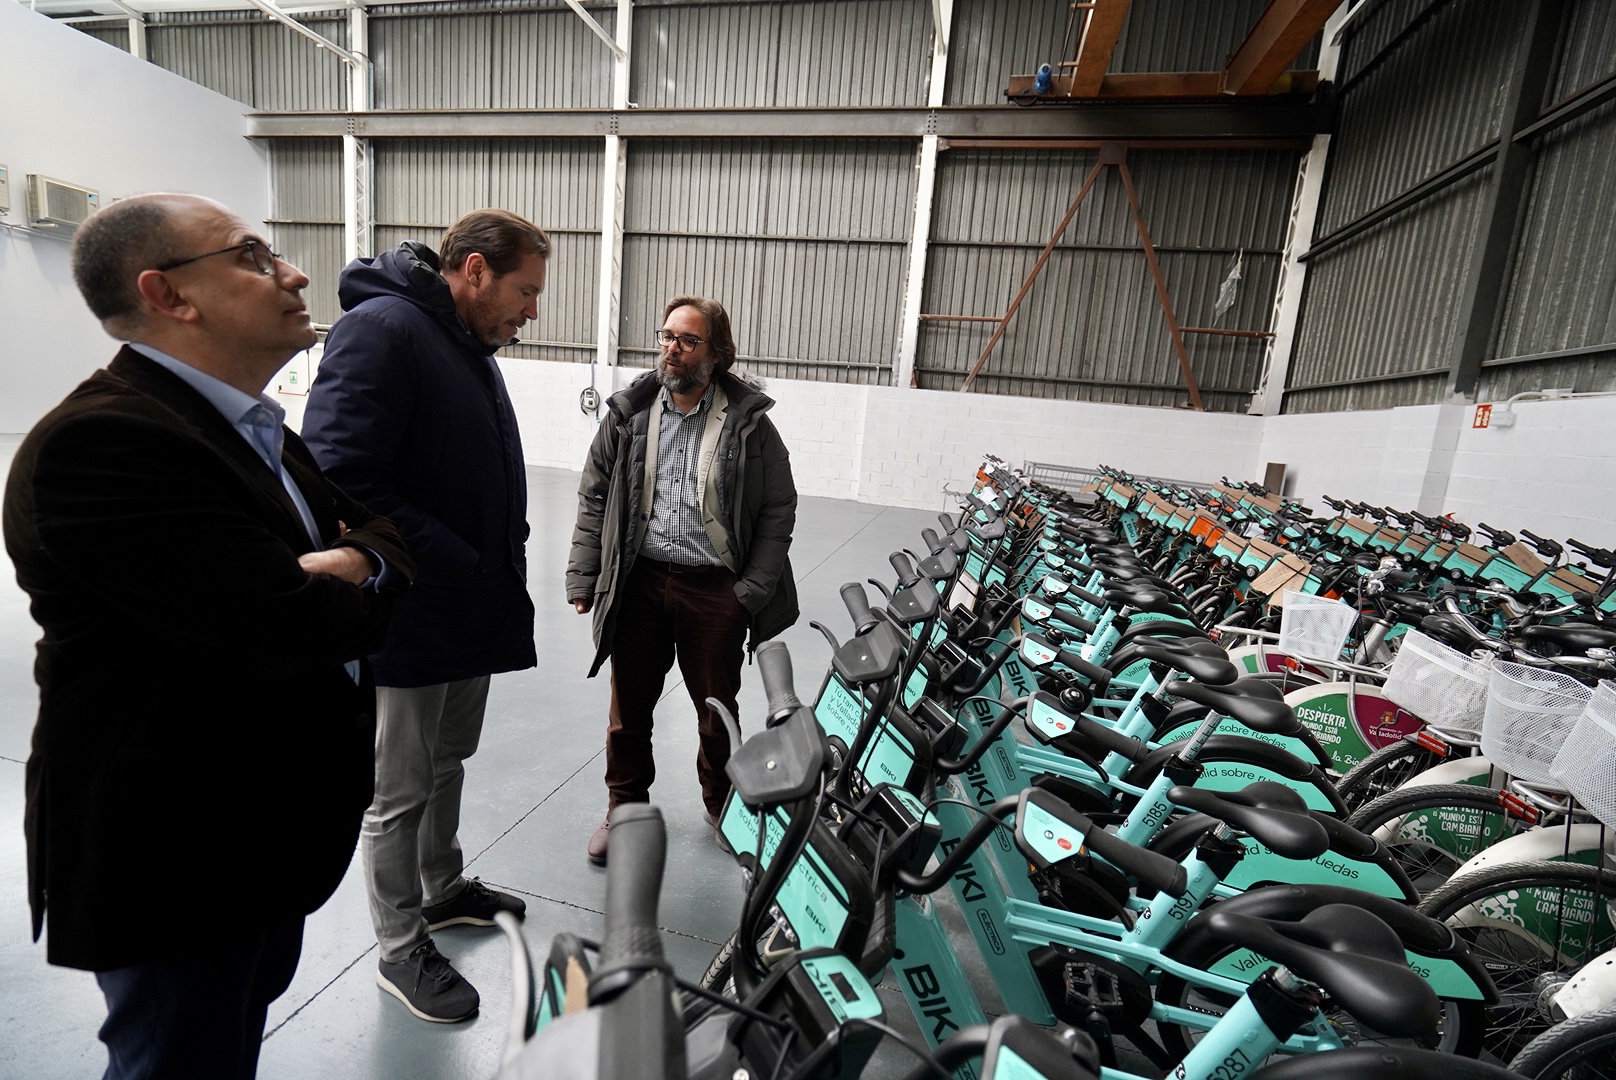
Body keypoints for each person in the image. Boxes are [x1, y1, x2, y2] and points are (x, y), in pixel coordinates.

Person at [3, 193, 414, 1079]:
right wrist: (354, 574)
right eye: (252, 256)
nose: (293, 274)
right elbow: (292, 625)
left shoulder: (255, 428)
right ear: (168, 293)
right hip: (178, 859)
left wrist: (358, 560)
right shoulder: (104, 442)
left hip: (260, 837)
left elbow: (382, 538)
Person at [300, 208, 546, 1023]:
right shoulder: (384, 330)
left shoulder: (461, 341)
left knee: (448, 758)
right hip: (412, 605)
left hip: (466, 603)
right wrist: (454, 557)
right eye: (525, 291)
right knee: (398, 788)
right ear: (474, 270)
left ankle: (442, 888)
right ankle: (400, 948)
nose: (532, 310)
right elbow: (340, 476)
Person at [565, 295, 798, 866]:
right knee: (628, 710)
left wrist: (751, 591)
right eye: (667, 336)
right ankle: (624, 810)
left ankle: (723, 807)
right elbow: (595, 493)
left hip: (715, 589)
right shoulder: (630, 414)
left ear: (716, 354)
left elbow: (778, 507)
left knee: (716, 711)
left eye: (688, 340)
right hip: (640, 582)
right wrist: (585, 573)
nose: (672, 349)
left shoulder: (749, 424)